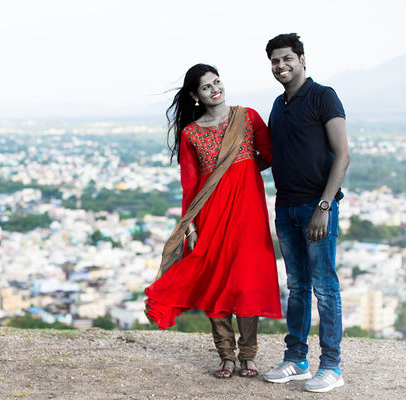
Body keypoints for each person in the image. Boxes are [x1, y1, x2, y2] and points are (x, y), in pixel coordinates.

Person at [144, 64, 282, 379]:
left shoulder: (247, 117)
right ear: (196, 95)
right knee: (216, 281)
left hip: (248, 214)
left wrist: (244, 170)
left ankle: (248, 355)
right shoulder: (191, 133)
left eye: (217, 82)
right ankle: (226, 355)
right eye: (207, 87)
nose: (215, 89)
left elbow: (272, 154)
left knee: (246, 284)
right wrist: (190, 226)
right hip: (210, 216)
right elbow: (190, 186)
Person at [262, 33, 350, 393]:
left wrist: (324, 207)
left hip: (317, 207)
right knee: (297, 287)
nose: (280, 65)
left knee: (324, 287)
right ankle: (296, 359)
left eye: (287, 58)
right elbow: (272, 155)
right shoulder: (278, 104)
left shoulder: (323, 96)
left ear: (301, 59)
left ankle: (331, 366)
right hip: (285, 208)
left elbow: (342, 154)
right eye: (274, 60)